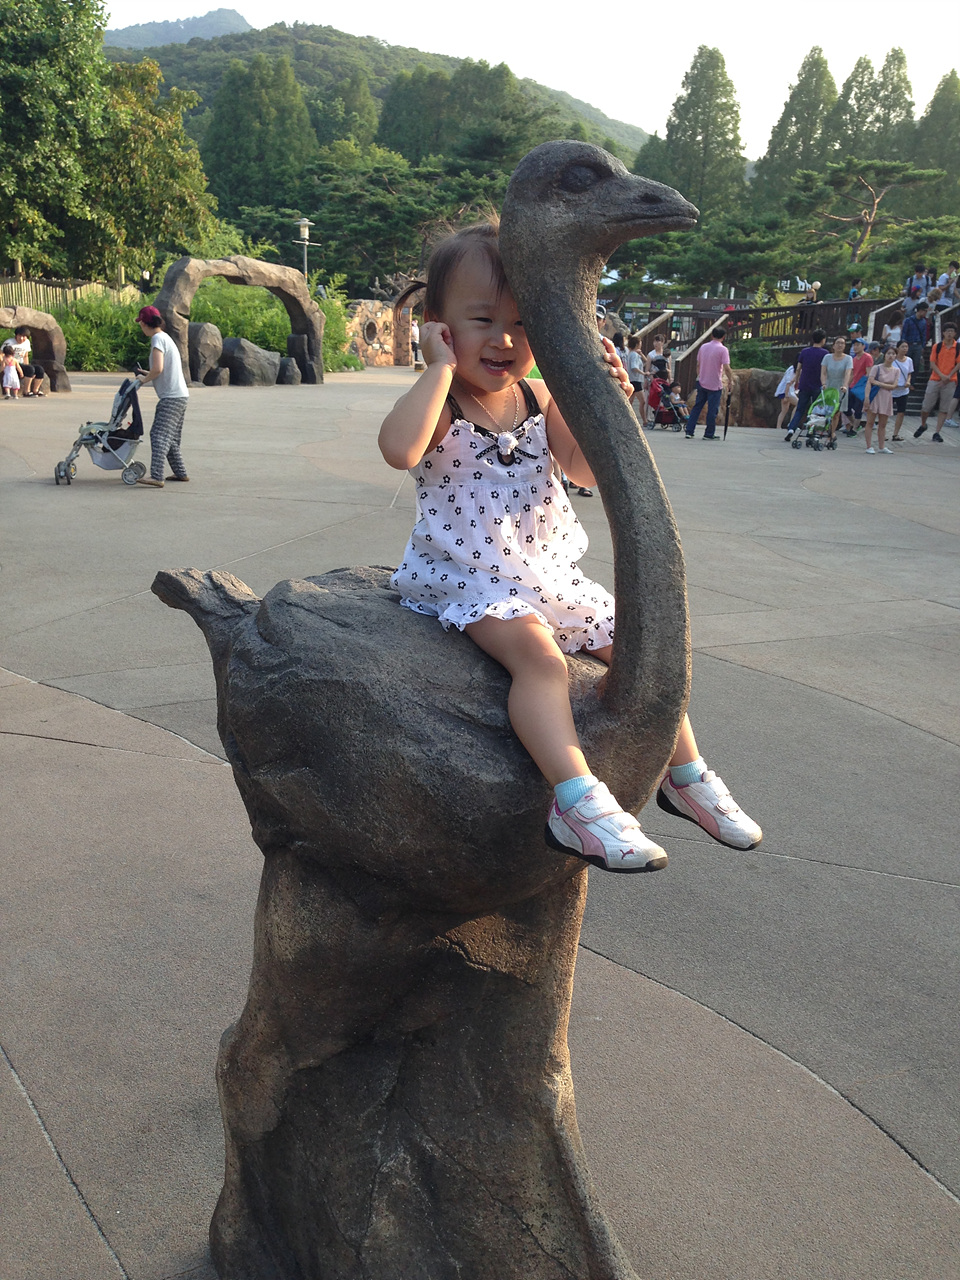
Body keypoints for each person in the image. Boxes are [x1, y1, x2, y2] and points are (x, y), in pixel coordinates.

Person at [378, 221, 762, 872]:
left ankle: (686, 773)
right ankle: (577, 799)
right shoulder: (443, 400)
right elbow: (399, 449)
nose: (504, 340)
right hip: (469, 574)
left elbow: (584, 470)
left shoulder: (538, 394)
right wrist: (436, 367)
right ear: (439, 324)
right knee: (542, 660)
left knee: (637, 646)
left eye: (523, 324)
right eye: (482, 320)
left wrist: (606, 401)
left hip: (545, 568)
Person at [133, 305, 189, 487]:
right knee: (171, 438)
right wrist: (146, 373)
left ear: (144, 323)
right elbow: (161, 369)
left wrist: (144, 380)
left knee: (158, 435)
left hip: (171, 398)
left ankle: (157, 476)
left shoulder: (157, 339)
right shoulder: (165, 337)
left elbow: (158, 369)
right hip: (180, 396)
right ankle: (180, 473)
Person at [914, 322, 959, 443]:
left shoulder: (957, 347)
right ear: (943, 333)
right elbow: (932, 363)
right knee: (926, 406)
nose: (949, 333)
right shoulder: (937, 346)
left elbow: (958, 363)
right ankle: (923, 424)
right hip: (935, 378)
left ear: (955, 333)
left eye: (952, 331)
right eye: (947, 331)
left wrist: (949, 376)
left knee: (944, 408)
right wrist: (942, 375)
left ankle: (937, 432)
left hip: (951, 380)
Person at [685, 328, 731, 440]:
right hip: (715, 383)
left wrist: (700, 376)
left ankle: (689, 431)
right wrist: (731, 380)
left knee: (697, 407)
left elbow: (698, 364)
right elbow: (726, 367)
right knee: (712, 410)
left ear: (712, 335)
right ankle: (709, 433)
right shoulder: (723, 350)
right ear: (723, 337)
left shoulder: (703, 347)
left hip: (702, 381)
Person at [785, 328, 828, 440]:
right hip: (818, 384)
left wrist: (796, 380)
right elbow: (825, 370)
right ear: (823, 340)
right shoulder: (825, 354)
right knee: (815, 410)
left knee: (800, 408)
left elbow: (798, 368)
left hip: (804, 384)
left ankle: (791, 428)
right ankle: (811, 431)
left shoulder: (804, 352)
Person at [863, 346, 899, 453]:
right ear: (884, 355)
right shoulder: (877, 368)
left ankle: (882, 447)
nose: (891, 356)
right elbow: (870, 382)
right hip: (875, 396)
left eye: (893, 354)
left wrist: (879, 383)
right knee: (870, 422)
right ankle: (869, 446)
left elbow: (894, 386)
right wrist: (866, 397)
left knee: (883, 424)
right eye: (888, 353)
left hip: (886, 397)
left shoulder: (896, 370)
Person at [820, 335, 853, 442]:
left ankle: (832, 432)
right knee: (827, 411)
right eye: (838, 343)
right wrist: (824, 383)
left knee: (836, 412)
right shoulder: (827, 357)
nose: (840, 345)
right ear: (833, 345)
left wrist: (845, 385)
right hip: (829, 385)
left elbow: (848, 373)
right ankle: (827, 430)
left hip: (840, 387)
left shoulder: (848, 359)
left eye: (842, 343)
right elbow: (823, 372)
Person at [842, 336, 873, 432]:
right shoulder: (854, 359)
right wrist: (846, 385)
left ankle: (854, 429)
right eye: (854, 345)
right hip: (852, 386)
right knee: (845, 407)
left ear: (863, 346)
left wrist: (864, 385)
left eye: (858, 345)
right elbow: (852, 374)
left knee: (858, 409)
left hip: (861, 387)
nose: (855, 347)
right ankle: (854, 424)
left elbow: (869, 373)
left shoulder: (867, 357)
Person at [889, 340, 913, 442]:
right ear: (898, 348)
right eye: (903, 346)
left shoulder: (909, 360)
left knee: (901, 412)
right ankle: (883, 433)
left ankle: (895, 434)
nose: (905, 349)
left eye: (906, 347)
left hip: (903, 390)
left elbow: (909, 373)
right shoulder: (893, 360)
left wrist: (908, 381)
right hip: (891, 390)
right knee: (886, 413)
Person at [9, 326, 44, 397]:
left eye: (24, 336)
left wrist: (27, 365)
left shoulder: (27, 342)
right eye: (19, 336)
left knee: (39, 369)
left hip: (22, 363)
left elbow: (25, 355)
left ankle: (35, 390)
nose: (21, 338)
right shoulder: (9, 343)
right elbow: (1, 354)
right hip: (13, 364)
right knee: (30, 369)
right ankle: (26, 391)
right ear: (16, 335)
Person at [902, 302, 930, 375]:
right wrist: (903, 344)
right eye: (925, 311)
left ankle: (913, 380)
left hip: (918, 345)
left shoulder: (924, 322)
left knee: (916, 365)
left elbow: (924, 335)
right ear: (920, 310)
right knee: (906, 363)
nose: (926, 313)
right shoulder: (908, 320)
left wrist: (923, 346)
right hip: (909, 344)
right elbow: (904, 333)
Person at [625, 333, 646, 423]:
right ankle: (644, 420)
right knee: (642, 401)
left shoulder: (632, 353)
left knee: (630, 401)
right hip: (635, 380)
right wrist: (643, 373)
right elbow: (634, 367)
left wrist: (641, 354)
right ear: (637, 344)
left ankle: (628, 417)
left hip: (633, 379)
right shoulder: (634, 355)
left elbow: (646, 361)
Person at [774, 362, 798, 430]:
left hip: (785, 391)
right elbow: (788, 383)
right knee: (799, 404)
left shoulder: (791, 368)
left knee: (784, 410)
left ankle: (778, 427)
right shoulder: (792, 371)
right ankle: (792, 423)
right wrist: (786, 395)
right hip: (786, 392)